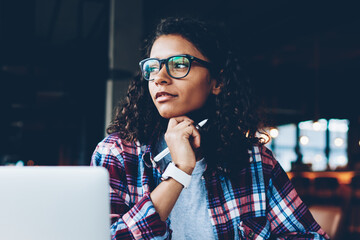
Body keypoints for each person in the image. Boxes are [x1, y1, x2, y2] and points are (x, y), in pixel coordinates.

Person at [91, 17, 329, 240]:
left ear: (217, 82)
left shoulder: (255, 161)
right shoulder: (117, 154)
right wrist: (179, 172)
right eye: (153, 67)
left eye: (179, 64)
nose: (160, 78)